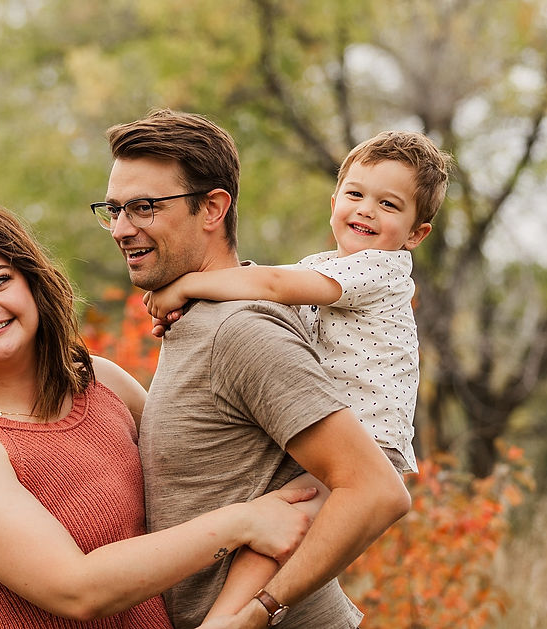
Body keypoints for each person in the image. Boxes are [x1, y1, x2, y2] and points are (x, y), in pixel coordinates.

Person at [0, 202, 317, 629]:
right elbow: (78, 589)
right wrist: (242, 523)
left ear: (32, 284)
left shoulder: (102, 382)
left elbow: (206, 475)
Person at [93, 109, 412, 629]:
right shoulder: (198, 318)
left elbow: (376, 491)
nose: (122, 229)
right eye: (113, 209)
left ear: (213, 207)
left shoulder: (239, 332)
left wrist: (261, 611)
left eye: (144, 207)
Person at [144, 130, 452, 476]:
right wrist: (191, 307)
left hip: (370, 444)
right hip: (331, 433)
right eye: (355, 194)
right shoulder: (320, 268)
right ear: (335, 204)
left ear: (415, 234)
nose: (366, 210)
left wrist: (186, 285)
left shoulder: (382, 269)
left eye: (388, 204)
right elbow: (261, 292)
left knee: (277, 516)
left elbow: (271, 284)